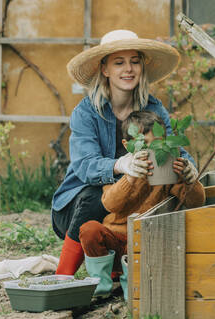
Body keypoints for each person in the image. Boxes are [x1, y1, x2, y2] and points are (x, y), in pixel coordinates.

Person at [51, 30, 199, 279]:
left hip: (128, 207)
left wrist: (189, 167)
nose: (128, 69)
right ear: (105, 69)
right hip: (77, 208)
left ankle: (122, 270)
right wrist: (122, 163)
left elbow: (174, 149)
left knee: (162, 188)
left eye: (135, 61)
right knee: (93, 194)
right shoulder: (86, 112)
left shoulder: (154, 109)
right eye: (119, 62)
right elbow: (85, 167)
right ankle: (62, 278)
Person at [80, 110, 205, 298]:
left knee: (143, 240)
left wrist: (189, 180)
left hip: (145, 243)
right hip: (116, 239)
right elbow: (110, 203)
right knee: (89, 230)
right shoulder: (123, 169)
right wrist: (130, 177)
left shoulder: (167, 173)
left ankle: (132, 286)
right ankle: (101, 286)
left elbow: (196, 202)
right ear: (128, 146)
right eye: (145, 144)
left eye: (158, 143)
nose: (153, 150)